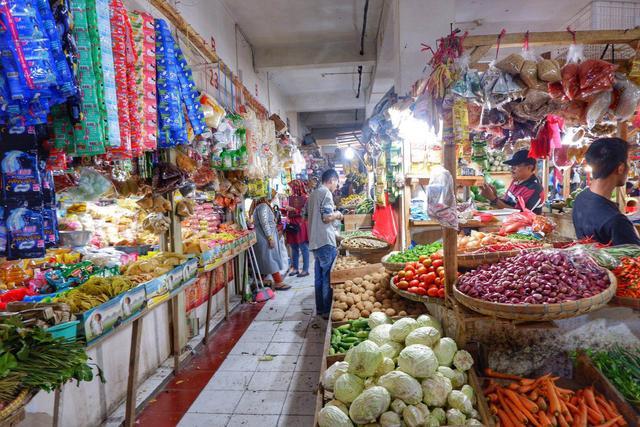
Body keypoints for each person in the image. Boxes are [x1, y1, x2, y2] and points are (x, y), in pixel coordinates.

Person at [573, 137, 640, 246]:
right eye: (629, 163)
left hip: (588, 261)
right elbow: (634, 261)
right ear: (621, 168)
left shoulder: (581, 198)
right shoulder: (616, 221)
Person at [307, 169, 343, 318]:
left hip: (315, 240)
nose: (336, 187)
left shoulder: (313, 194)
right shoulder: (326, 193)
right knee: (328, 277)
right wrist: (338, 215)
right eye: (336, 183)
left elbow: (307, 216)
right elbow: (326, 217)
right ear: (332, 180)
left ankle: (320, 309)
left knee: (319, 277)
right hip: (325, 241)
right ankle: (327, 311)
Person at [481, 149, 543, 214]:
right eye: (512, 165)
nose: (512, 168)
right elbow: (508, 205)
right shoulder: (516, 181)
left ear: (529, 168)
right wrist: (495, 196)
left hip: (527, 223)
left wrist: (493, 199)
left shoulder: (534, 188)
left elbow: (521, 215)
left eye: (517, 165)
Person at [251, 193, 291, 290]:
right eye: (274, 196)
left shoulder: (261, 206)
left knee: (267, 260)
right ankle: (278, 282)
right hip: (265, 238)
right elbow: (265, 223)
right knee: (270, 260)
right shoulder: (263, 206)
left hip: (264, 237)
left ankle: (258, 281)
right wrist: (269, 237)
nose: (275, 198)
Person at [285, 179, 310, 277]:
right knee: (294, 246)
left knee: (303, 247)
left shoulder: (305, 198)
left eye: (292, 188)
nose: (291, 190)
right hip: (292, 223)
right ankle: (295, 268)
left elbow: (306, 212)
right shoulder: (292, 198)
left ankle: (305, 269)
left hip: (301, 224)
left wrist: (293, 209)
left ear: (296, 187)